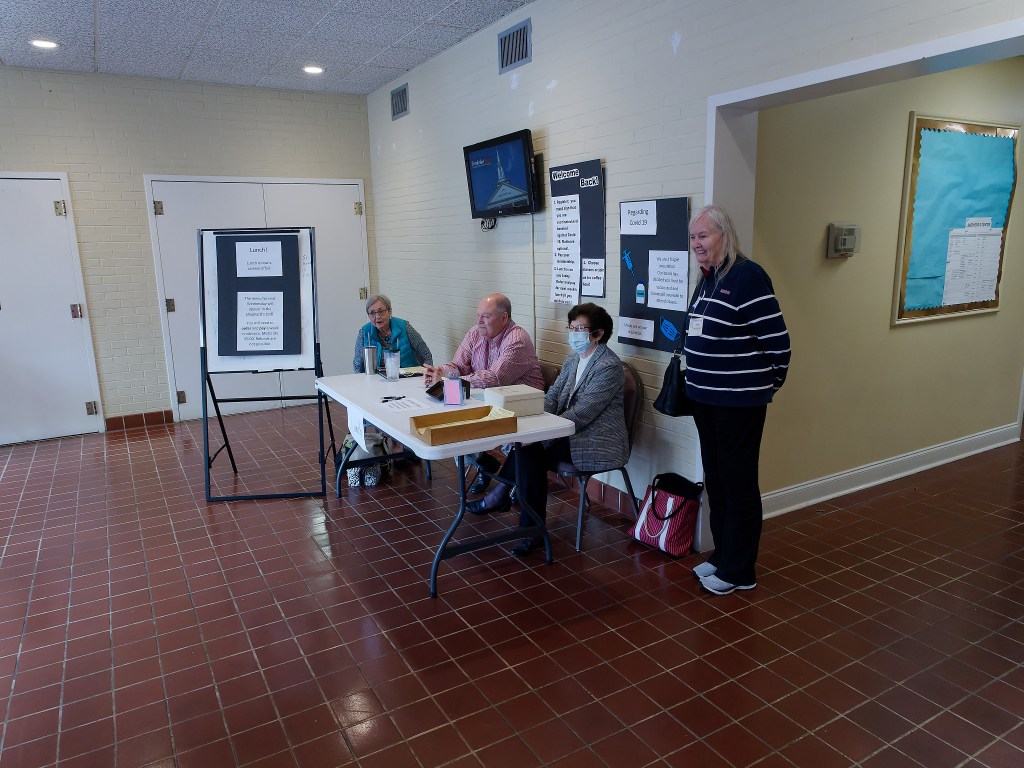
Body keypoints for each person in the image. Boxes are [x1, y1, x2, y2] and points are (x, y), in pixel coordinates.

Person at [684, 204, 791, 596]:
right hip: (705, 399)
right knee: (717, 479)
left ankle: (740, 570)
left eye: (704, 236)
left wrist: (762, 386)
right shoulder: (708, 278)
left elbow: (778, 344)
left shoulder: (747, 276)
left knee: (738, 482)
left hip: (738, 403)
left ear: (724, 236)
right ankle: (723, 555)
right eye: (693, 237)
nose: (697, 243)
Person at [466, 303, 627, 557]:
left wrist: (543, 432)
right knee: (528, 447)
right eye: (571, 327)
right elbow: (551, 397)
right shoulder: (573, 359)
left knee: (531, 449)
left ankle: (505, 501)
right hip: (567, 431)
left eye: (579, 329)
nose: (573, 334)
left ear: (597, 334)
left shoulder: (608, 366)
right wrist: (536, 424)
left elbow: (583, 413)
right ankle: (525, 522)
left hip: (594, 439)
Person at [423, 293, 544, 493]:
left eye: (486, 317)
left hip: (521, 410)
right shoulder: (475, 333)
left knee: (457, 418)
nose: (479, 321)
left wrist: (450, 382)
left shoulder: (517, 340)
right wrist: (442, 372)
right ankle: (484, 463)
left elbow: (494, 378)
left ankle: (509, 487)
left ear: (504, 318)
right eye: (478, 315)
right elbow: (458, 365)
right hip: (488, 402)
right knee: (448, 419)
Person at [353, 294, 432, 372]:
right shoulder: (364, 332)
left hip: (408, 376)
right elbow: (357, 365)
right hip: (375, 378)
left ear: (390, 311)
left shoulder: (404, 327)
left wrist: (427, 374)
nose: (377, 317)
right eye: (372, 313)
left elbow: (426, 354)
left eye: (381, 311)